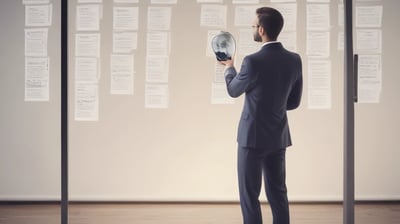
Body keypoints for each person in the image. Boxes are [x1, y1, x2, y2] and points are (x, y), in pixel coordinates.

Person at [218, 7, 303, 224]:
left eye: (254, 26)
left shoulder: (252, 61)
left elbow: (233, 90)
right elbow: (293, 102)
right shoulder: (294, 60)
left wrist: (229, 68)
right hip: (278, 137)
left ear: (262, 29)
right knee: (278, 194)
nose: (253, 30)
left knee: (249, 196)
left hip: (251, 139)